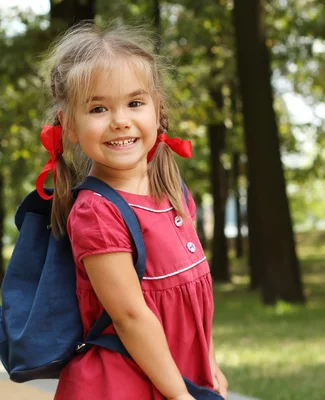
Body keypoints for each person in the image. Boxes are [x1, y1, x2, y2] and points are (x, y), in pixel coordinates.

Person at [37, 23, 228, 400]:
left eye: (135, 103)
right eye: (98, 108)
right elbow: (130, 316)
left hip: (178, 379)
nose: (120, 119)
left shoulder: (173, 195)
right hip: (123, 387)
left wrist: (208, 361)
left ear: (158, 111)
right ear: (70, 125)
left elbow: (190, 304)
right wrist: (180, 394)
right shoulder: (97, 211)